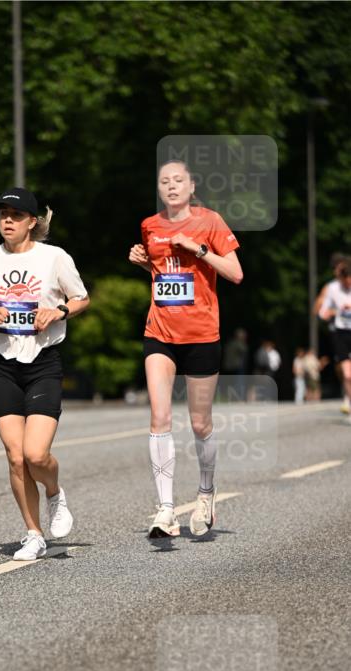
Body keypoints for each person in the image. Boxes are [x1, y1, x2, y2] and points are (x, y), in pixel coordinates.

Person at [0, 187, 90, 560]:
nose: (8, 221)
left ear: (32, 222)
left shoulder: (54, 257)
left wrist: (59, 312)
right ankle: (33, 534)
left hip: (43, 362)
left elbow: (81, 298)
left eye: (15, 215)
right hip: (2, 365)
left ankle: (54, 493)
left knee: (35, 454)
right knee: (16, 457)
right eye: (3, 215)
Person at [128, 160, 242, 539]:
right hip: (160, 332)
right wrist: (144, 263)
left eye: (179, 180)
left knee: (199, 423)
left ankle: (206, 493)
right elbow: (165, 275)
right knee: (159, 417)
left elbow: (235, 273)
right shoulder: (150, 225)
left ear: (192, 187)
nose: (172, 186)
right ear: (159, 188)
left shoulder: (211, 221)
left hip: (202, 335)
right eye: (165, 181)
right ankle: (165, 510)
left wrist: (199, 248)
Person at [313, 252, 349, 413]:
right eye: (336, 269)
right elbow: (318, 309)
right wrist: (329, 311)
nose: (338, 271)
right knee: (343, 369)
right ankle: (347, 395)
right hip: (338, 330)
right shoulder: (330, 288)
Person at [222, 327, 248, 401]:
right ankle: (238, 397)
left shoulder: (230, 343)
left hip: (228, 366)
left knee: (231, 383)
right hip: (237, 366)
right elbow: (245, 350)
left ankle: (230, 397)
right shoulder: (239, 343)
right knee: (239, 382)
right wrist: (243, 342)